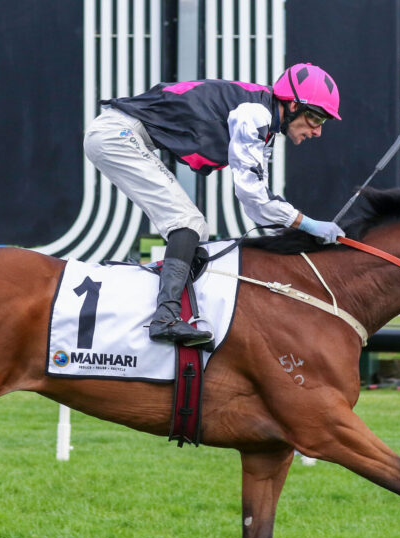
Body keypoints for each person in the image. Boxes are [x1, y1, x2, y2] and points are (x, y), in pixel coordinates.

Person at [85, 63, 345, 346]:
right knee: (188, 224)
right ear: (294, 105)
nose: (318, 131)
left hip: (122, 134)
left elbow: (257, 205)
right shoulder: (254, 114)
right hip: (118, 135)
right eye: (317, 119)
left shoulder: (264, 123)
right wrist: (308, 224)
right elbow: (255, 197)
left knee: (195, 234)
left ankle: (174, 314)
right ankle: (164, 319)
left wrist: (299, 228)